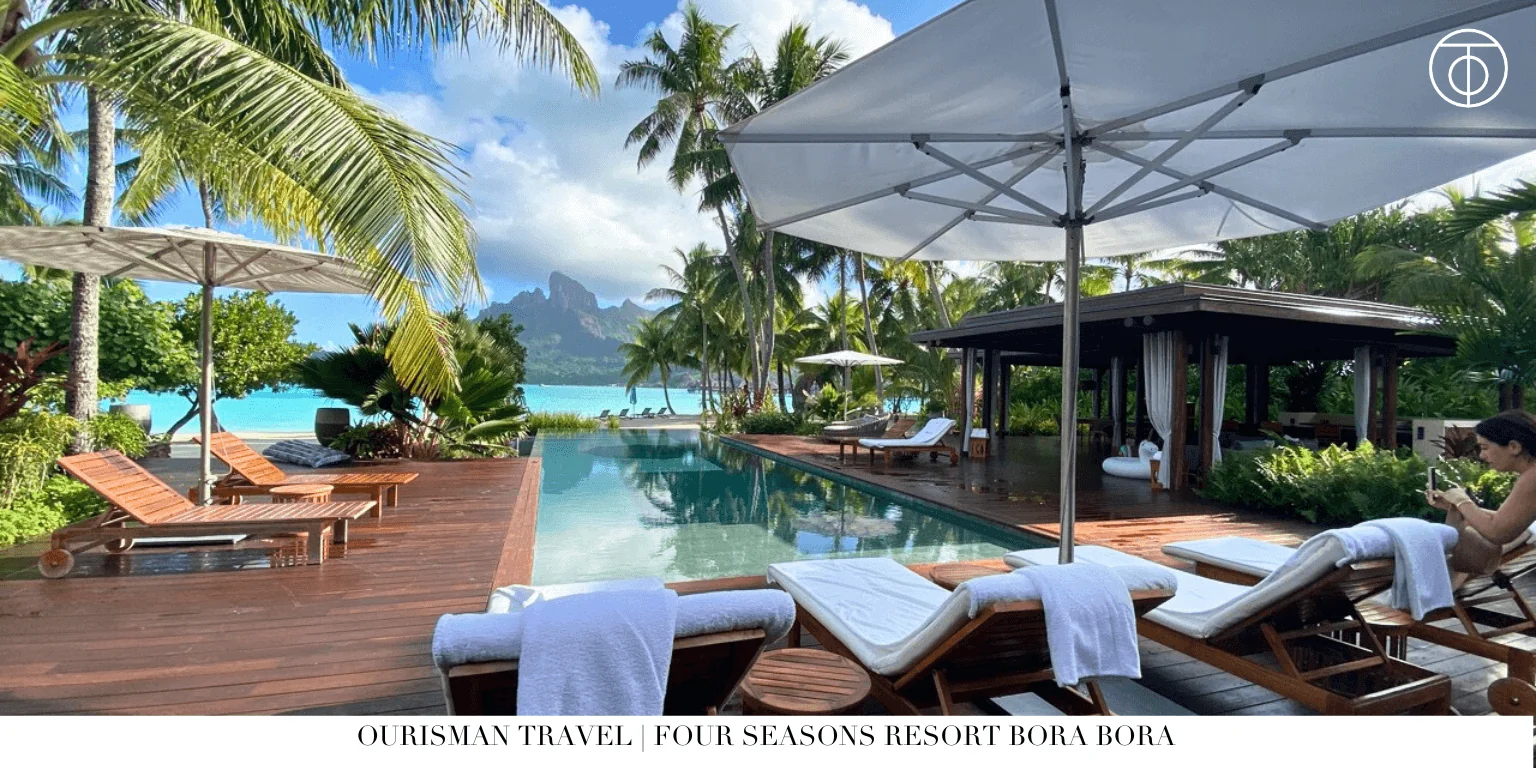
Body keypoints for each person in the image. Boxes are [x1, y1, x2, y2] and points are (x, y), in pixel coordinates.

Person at [1426, 410, 1536, 582]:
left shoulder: (1532, 478)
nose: (1482, 456)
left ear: (1514, 447)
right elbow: (1509, 521)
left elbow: (1499, 532)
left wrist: (1461, 501)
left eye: (1485, 448)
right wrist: (1453, 505)